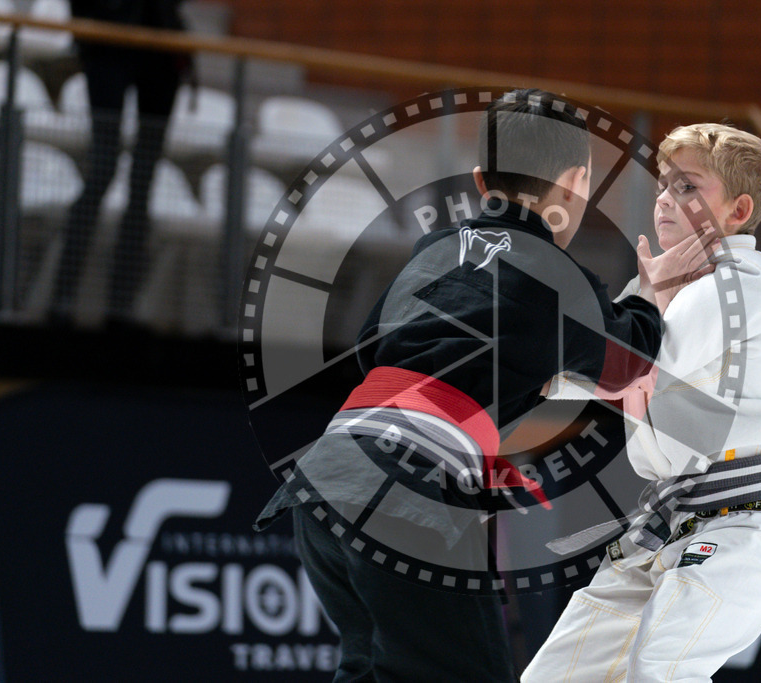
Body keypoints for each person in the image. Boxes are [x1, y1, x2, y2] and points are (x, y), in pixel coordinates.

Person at [253, 90, 717, 682]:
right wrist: (654, 294)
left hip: (324, 479)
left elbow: (376, 346)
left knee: (371, 669)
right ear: (576, 184)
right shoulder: (556, 274)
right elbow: (627, 362)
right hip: (406, 492)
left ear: (480, 180)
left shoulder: (431, 250)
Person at [523, 123, 761, 682]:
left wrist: (542, 367)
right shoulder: (665, 280)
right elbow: (589, 362)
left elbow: (629, 365)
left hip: (746, 521)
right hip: (671, 517)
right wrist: (527, 376)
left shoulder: (739, 282)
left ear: (738, 210)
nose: (664, 199)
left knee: (659, 670)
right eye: (663, 184)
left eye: (688, 187)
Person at [51, 0, 187, 325]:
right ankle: (62, 298)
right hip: (108, 41)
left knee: (143, 183)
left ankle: (121, 306)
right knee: (102, 170)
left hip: (161, 46)